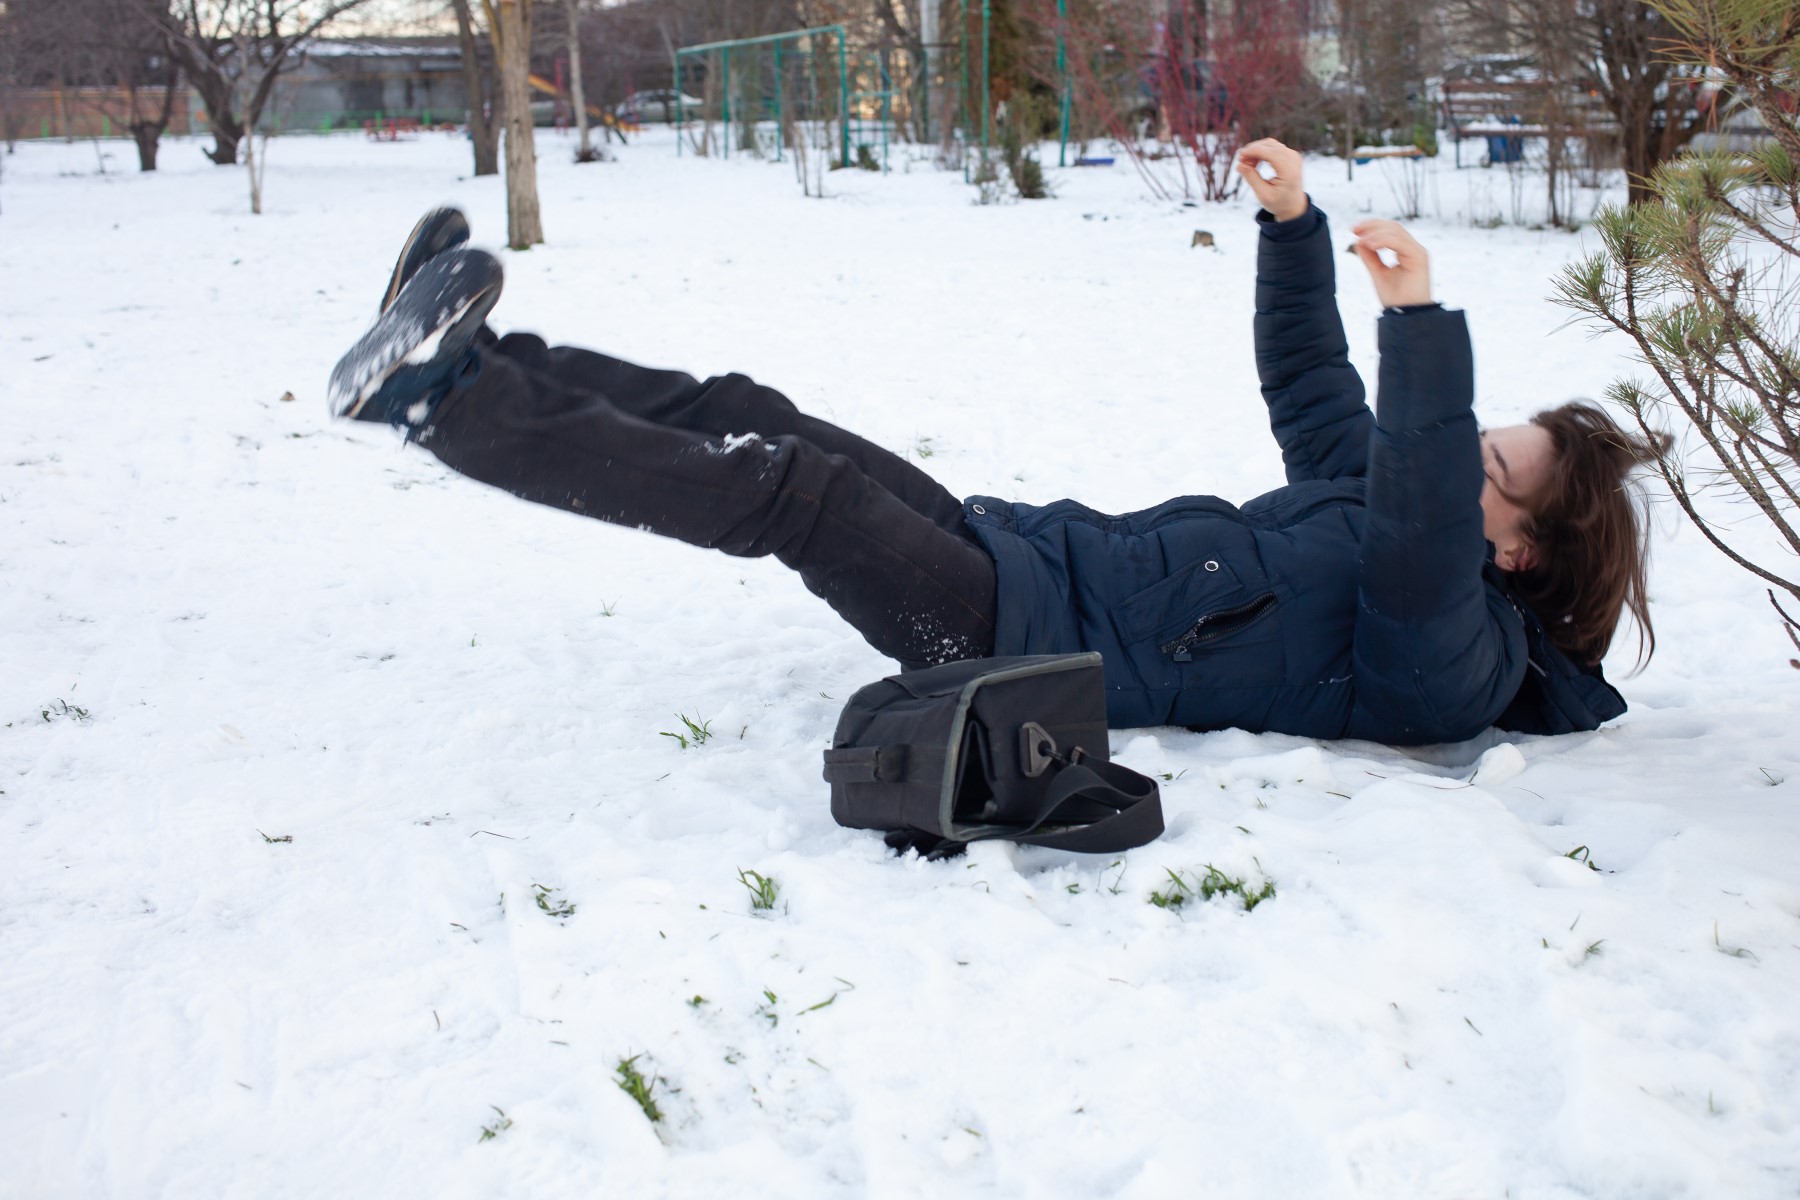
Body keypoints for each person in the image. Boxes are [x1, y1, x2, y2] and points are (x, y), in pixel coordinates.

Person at [326, 139, 1661, 746]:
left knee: (789, 492)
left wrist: (1424, 328)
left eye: (1491, 464)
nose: (1453, 449)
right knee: (762, 411)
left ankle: (444, 406)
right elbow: (1315, 380)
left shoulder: (1456, 661)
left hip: (1024, 641)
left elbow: (1424, 539)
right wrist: (1295, 227)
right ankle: (478, 352)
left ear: (1522, 551)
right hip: (1016, 550)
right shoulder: (1382, 515)